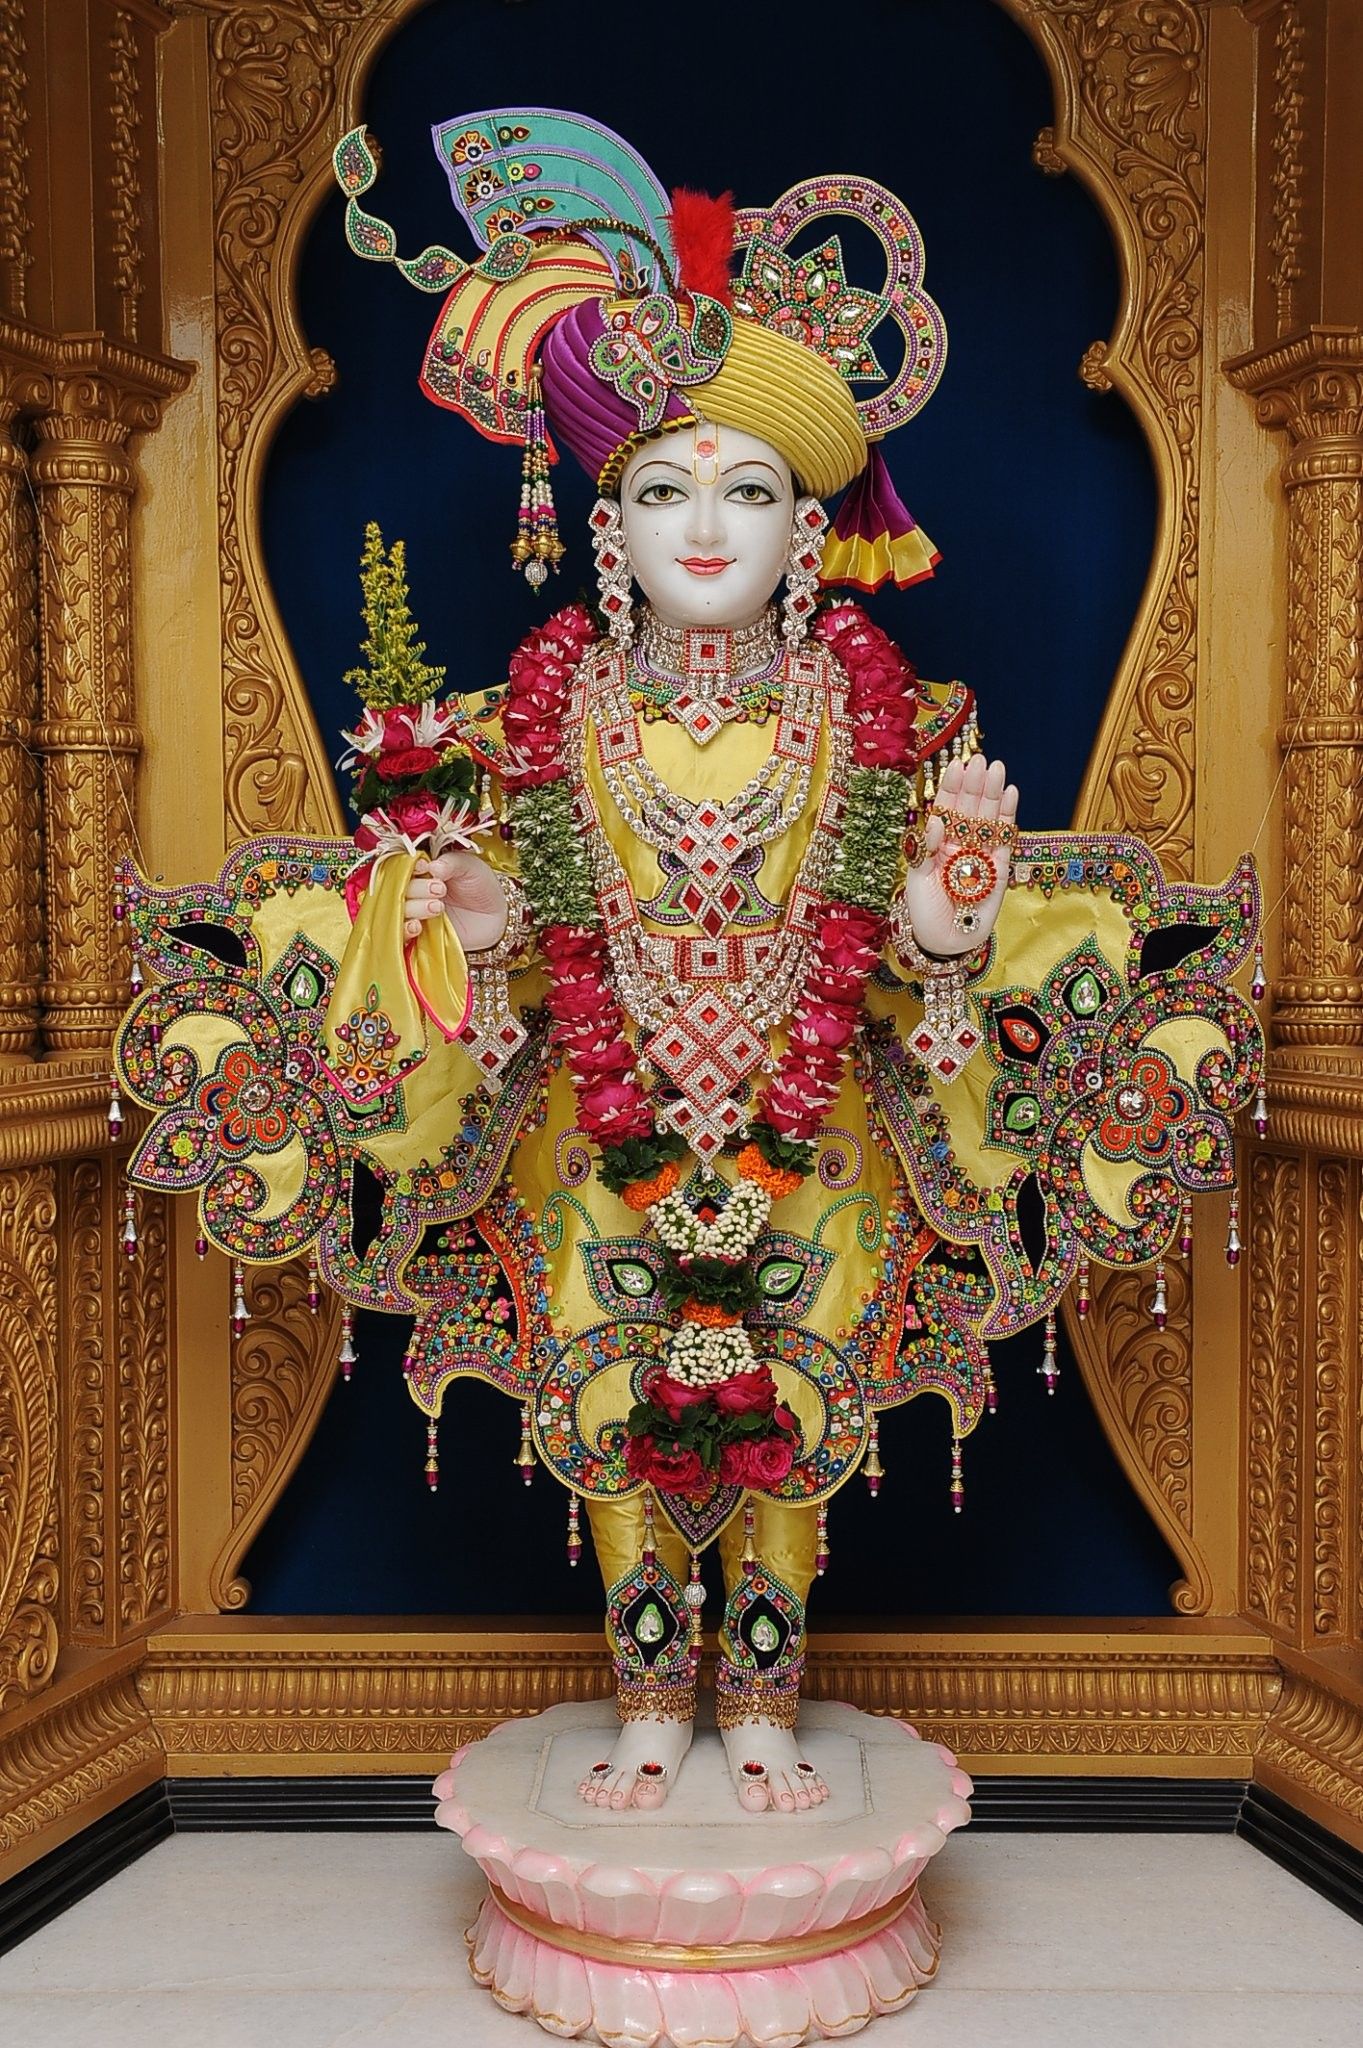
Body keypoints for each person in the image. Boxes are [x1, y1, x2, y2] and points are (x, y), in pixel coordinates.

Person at [115, 109, 1263, 1819]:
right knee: (620, 1399)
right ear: (604, 524)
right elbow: (472, 927)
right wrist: (478, 940)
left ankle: (770, 1704)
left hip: (814, 1136)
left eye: (747, 492)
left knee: (793, 1408)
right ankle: (652, 1691)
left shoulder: (894, 724)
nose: (704, 526)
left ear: (812, 537)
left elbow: (930, 962)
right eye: (662, 489)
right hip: (608, 1114)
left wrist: (951, 931)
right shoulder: (536, 716)